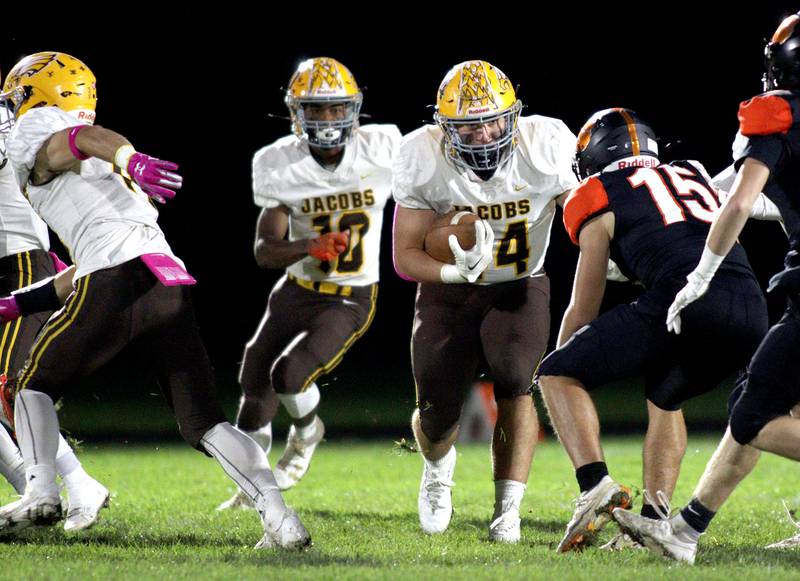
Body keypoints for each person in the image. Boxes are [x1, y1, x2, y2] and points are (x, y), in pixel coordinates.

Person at [0, 51, 308, 549]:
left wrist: (129, 156)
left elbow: (82, 140)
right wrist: (22, 302)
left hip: (117, 276)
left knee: (30, 384)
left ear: (42, 95)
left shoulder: (41, 131)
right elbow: (93, 258)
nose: (14, 108)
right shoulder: (98, 177)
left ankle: (40, 490)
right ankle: (280, 519)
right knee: (204, 423)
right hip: (164, 280)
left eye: (19, 97)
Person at [536, 107, 769, 552]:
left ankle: (595, 486)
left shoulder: (595, 192)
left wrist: (561, 361)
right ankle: (653, 524)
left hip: (685, 300)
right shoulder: (692, 173)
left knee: (556, 373)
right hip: (749, 304)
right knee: (666, 395)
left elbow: (584, 308)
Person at [613, 11, 800, 563]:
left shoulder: (778, 114)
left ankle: (684, 532)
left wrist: (701, 274)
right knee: (761, 404)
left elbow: (741, 201)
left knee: (752, 416)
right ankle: (685, 532)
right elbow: (769, 200)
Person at [392, 60, 578, 542]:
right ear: (444, 127)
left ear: (512, 115)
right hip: (446, 291)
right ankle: (437, 470)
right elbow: (405, 255)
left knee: (517, 379)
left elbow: (579, 210)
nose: (483, 134)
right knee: (436, 407)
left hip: (520, 282)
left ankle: (507, 511)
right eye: (468, 125)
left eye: (492, 120)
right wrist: (450, 271)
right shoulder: (421, 153)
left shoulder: (546, 144)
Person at [218, 57, 400, 510]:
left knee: (290, 373)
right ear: (296, 113)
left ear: (353, 110)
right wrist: (308, 246)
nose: (326, 119)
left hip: (351, 296)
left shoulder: (384, 148)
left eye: (335, 108)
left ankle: (306, 434)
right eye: (315, 109)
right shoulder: (280, 163)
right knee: (254, 374)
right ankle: (253, 488)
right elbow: (264, 250)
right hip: (297, 290)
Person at [0, 91, 109, 532]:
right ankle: (53, 494)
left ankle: (57, 491)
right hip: (18, 258)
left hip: (18, 263)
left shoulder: (16, 122)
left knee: (9, 387)